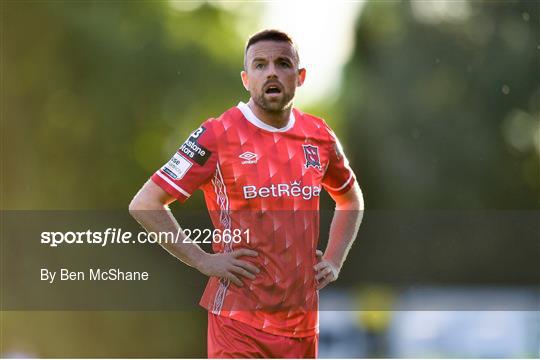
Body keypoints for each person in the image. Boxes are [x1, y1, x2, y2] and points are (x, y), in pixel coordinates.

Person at [129, 29, 364, 358]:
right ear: (246, 78)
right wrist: (201, 259)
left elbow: (350, 198)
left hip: (302, 325)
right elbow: (145, 204)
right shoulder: (216, 134)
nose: (271, 72)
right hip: (237, 323)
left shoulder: (319, 136)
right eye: (260, 65)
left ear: (300, 76)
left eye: (282, 64)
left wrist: (335, 259)